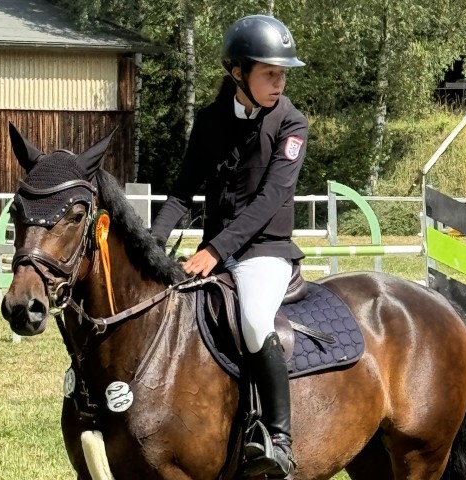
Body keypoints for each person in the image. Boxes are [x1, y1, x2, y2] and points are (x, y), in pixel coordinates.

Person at [151, 14, 307, 479]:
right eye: (270, 73)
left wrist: (216, 251)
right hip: (215, 250)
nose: (279, 82)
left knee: (256, 320)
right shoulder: (210, 121)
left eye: (282, 74)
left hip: (266, 252)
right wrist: (150, 244)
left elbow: (269, 200)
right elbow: (182, 192)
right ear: (238, 72)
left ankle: (278, 438)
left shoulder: (291, 123)